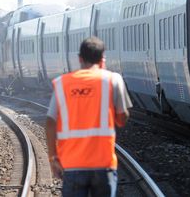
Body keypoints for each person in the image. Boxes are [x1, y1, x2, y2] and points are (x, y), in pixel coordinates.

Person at [45, 37, 132, 197]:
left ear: (80, 59)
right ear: (102, 59)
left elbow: (50, 122)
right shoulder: (113, 80)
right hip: (103, 164)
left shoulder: (62, 83)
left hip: (72, 165)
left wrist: (53, 157)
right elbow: (122, 119)